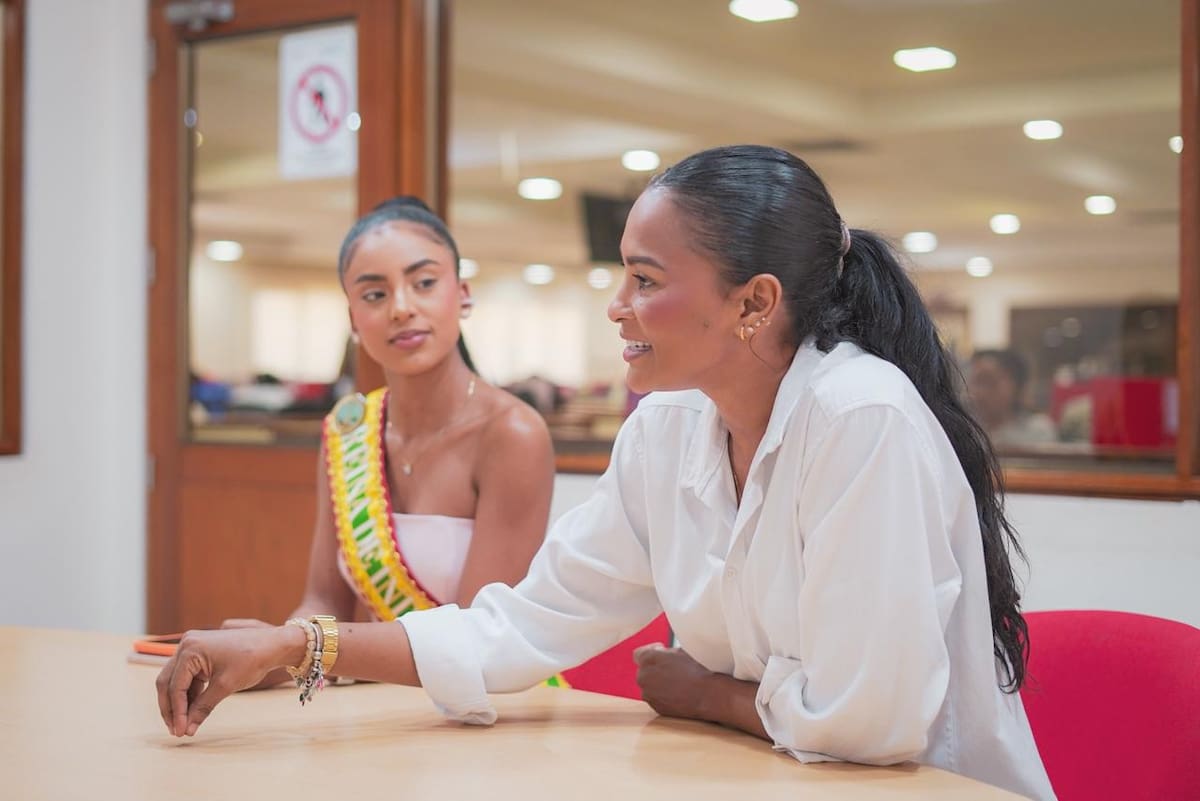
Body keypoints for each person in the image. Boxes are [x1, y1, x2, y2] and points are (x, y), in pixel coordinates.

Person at [156, 147, 1054, 800]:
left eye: (644, 278)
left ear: (755, 303)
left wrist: (704, 694)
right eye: (620, 273)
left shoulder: (862, 419)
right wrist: (294, 644)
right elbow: (522, 625)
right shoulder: (667, 428)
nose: (616, 305)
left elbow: (868, 725)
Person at [216, 196, 557, 690]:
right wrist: (273, 655)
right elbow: (323, 601)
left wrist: (302, 649)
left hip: (488, 706)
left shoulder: (512, 434)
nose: (401, 308)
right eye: (375, 295)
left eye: (423, 283)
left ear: (461, 294)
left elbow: (473, 639)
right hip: (376, 706)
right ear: (354, 318)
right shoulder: (349, 427)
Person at [967, 349, 1057, 449]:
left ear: (1016, 385)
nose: (980, 392)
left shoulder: (1038, 431)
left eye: (989, 382)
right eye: (976, 382)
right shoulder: (965, 430)